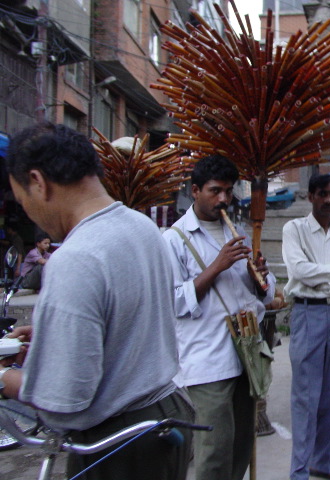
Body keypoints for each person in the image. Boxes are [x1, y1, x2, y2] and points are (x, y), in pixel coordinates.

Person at [0, 123, 194, 480]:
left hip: (119, 444)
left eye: (21, 198)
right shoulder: (142, 227)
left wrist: (4, 378)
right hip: (165, 420)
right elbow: (125, 329)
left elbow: (63, 398)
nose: (27, 212)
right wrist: (51, 339)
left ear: (38, 182)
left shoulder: (75, 257)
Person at [163, 154, 275, 480]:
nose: (223, 199)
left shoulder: (236, 231)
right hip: (207, 362)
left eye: (228, 191)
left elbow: (261, 296)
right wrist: (217, 266)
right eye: (215, 191)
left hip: (245, 354)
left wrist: (260, 279)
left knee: (241, 446)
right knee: (215, 451)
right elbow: (174, 303)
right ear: (195, 190)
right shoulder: (173, 240)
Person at [282, 174, 330, 480]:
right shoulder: (295, 230)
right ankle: (299, 472)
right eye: (323, 194)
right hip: (307, 315)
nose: (329, 200)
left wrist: (324, 283)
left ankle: (326, 463)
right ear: (310, 197)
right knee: (306, 398)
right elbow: (298, 270)